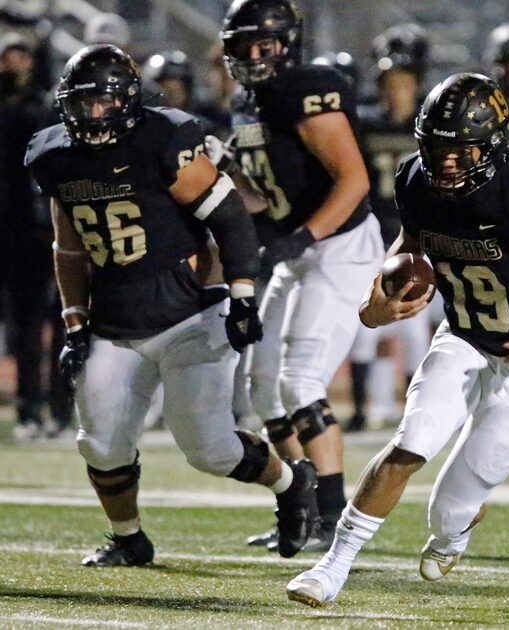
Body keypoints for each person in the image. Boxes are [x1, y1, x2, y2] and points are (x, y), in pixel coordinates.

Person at [285, 72, 509, 607]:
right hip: (464, 336)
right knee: (410, 443)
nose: (446, 162)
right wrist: (378, 297)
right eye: (437, 147)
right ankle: (333, 566)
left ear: (491, 145)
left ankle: (457, 528)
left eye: (462, 150)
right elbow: (410, 247)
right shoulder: (415, 180)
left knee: (448, 511)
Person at [24, 44, 318, 565]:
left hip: (191, 314)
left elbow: (230, 217)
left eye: (105, 103)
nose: (94, 115)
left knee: (211, 451)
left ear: (129, 101)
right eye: (84, 103)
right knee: (100, 443)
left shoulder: (162, 140)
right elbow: (67, 248)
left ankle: (293, 483)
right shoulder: (55, 157)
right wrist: (74, 323)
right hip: (116, 322)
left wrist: (244, 296)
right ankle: (129, 539)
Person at [220, 0, 384, 553]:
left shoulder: (308, 87)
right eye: (245, 45)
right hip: (300, 248)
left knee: (301, 381)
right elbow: (262, 197)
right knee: (260, 389)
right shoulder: (246, 104)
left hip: (340, 246)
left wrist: (300, 238)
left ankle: (334, 518)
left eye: (265, 44)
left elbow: (354, 180)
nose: (255, 55)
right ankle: (301, 505)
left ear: (288, 43)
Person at [345, 23, 432, 432]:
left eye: (402, 81)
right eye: (388, 82)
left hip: (415, 235)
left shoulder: (429, 126)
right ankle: (362, 409)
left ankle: (417, 411)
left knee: (415, 331)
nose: (394, 90)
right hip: (373, 234)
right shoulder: (365, 123)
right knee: (364, 328)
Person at [0, 33, 54, 439]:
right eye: (8, 57)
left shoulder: (41, 108)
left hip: (25, 235)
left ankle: (32, 409)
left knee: (30, 326)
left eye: (21, 57)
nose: (14, 65)